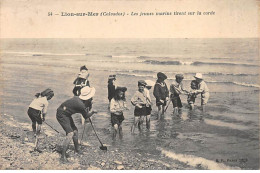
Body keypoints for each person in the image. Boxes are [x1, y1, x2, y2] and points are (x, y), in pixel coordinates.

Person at [56, 86, 97, 163]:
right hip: (61, 115)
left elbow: (84, 109)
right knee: (70, 133)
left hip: (65, 114)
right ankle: (63, 156)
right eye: (91, 97)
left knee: (75, 131)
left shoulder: (78, 99)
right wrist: (93, 112)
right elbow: (86, 116)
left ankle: (77, 149)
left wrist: (88, 105)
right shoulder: (80, 105)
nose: (92, 98)